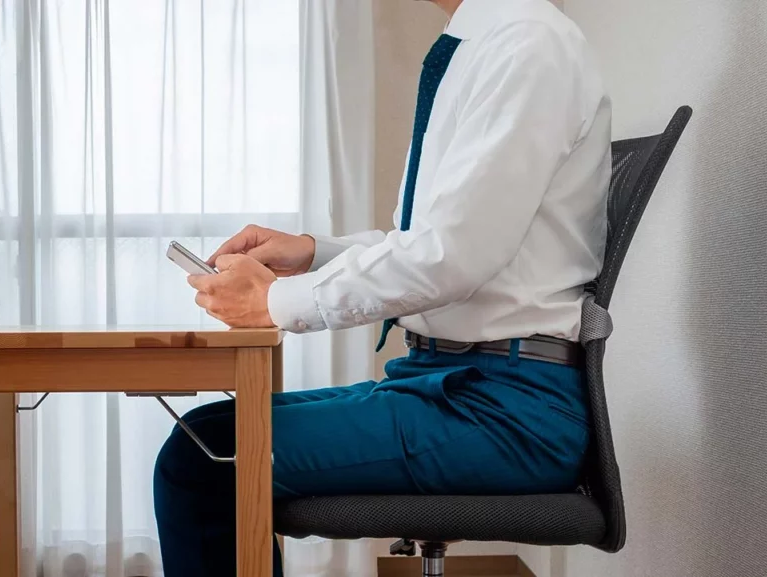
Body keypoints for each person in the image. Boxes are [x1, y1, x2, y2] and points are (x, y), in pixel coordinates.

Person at [152, 0, 612, 574]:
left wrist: (273, 301)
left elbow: (454, 257)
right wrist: (315, 253)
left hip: (505, 409)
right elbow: (432, 240)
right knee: (208, 439)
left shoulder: (527, 44)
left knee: (207, 458)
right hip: (451, 384)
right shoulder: (486, 42)